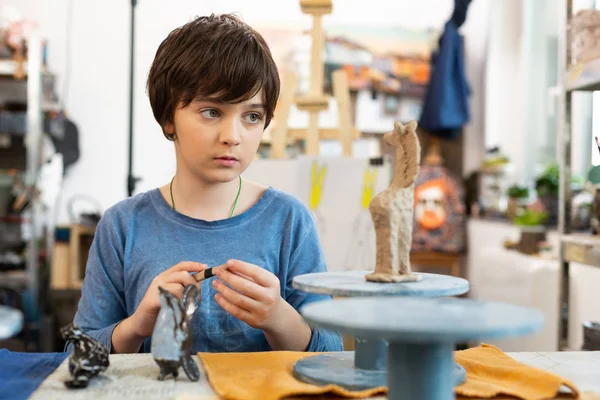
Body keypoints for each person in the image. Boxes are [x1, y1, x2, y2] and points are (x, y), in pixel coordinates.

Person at [70, 13, 343, 354]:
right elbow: (75, 353)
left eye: (252, 117)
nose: (232, 136)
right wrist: (137, 324)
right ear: (169, 117)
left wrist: (278, 318)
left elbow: (332, 352)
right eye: (212, 112)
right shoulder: (122, 225)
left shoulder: (289, 220)